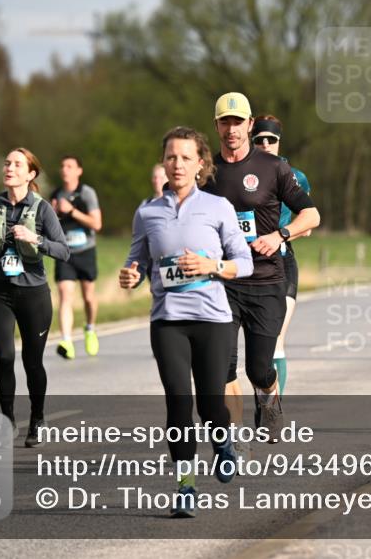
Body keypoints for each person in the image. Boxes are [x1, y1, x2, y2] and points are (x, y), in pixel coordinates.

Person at [119, 126, 252, 518]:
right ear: (164, 162)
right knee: (178, 404)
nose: (177, 164)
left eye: (186, 157)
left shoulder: (218, 207)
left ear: (200, 164)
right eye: (171, 157)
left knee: (211, 406)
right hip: (168, 322)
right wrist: (130, 275)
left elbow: (244, 263)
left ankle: (222, 441)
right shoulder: (147, 212)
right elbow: (137, 262)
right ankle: (186, 486)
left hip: (212, 320)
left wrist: (212, 266)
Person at [205, 92, 319, 443]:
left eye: (238, 122)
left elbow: (311, 215)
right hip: (222, 281)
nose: (231, 129)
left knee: (258, 368)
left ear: (249, 125)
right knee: (222, 366)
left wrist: (280, 235)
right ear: (216, 126)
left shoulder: (273, 168)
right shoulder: (206, 171)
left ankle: (269, 397)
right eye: (225, 122)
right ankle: (234, 441)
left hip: (266, 279)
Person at [0, 148, 70, 447]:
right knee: (4, 356)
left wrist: (35, 238)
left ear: (30, 174)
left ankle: (37, 419)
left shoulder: (42, 209)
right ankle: (7, 419)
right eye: (7, 163)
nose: (9, 168)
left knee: (32, 361)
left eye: (17, 164)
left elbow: (63, 250)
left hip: (33, 293)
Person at [250, 115, 311, 394]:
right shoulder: (239, 174)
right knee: (256, 348)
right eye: (259, 140)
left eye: (270, 140)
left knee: (275, 339)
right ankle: (263, 399)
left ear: (279, 142)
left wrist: (279, 237)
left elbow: (307, 223)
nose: (265, 144)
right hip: (247, 264)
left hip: (283, 261)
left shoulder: (295, 176)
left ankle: (272, 408)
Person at [50, 157, 103, 359]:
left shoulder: (87, 193)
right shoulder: (56, 194)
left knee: (88, 297)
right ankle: (67, 341)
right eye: (62, 166)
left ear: (79, 171)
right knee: (65, 295)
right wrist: (53, 214)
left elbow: (97, 224)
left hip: (86, 250)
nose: (65, 170)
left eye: (70, 166)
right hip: (65, 253)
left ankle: (90, 328)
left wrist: (71, 210)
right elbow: (49, 227)